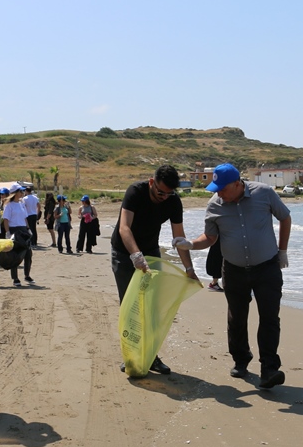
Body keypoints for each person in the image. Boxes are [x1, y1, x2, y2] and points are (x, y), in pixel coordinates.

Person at [173, 163, 291, 389]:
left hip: (267, 267)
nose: (218, 193)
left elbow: (285, 218)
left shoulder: (264, 193)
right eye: (215, 189)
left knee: (269, 317)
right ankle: (240, 360)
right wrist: (190, 244)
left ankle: (269, 368)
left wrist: (282, 250)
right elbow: (209, 237)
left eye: (222, 188)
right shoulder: (214, 205)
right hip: (234, 269)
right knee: (236, 317)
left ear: (238, 184)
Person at [111, 165, 197, 375]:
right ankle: (131, 357)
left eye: (169, 193)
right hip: (124, 252)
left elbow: (179, 238)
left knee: (151, 308)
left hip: (150, 251)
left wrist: (188, 267)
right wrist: (135, 255)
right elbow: (124, 227)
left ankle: (151, 357)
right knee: (130, 306)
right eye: (160, 192)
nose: (164, 197)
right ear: (152, 182)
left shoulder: (173, 201)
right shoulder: (136, 192)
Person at [2, 185, 34, 286]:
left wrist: (28, 229)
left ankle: (27, 275)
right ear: (15, 192)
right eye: (20, 191)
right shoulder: (9, 205)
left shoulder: (22, 203)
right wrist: (8, 233)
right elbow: (6, 220)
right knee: (15, 255)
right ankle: (15, 278)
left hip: (23, 230)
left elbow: (25, 218)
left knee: (28, 254)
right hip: (14, 231)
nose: (22, 193)